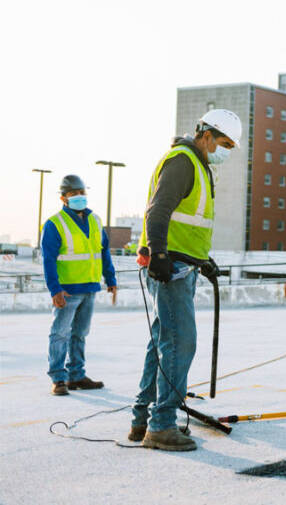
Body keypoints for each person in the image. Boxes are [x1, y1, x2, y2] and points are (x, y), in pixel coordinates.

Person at [130, 109, 240, 451]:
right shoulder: (183, 161)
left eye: (231, 146)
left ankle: (143, 420)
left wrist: (202, 261)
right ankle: (161, 425)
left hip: (182, 264)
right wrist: (159, 254)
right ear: (205, 135)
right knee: (180, 342)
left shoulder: (199, 165)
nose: (225, 151)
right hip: (171, 267)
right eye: (223, 143)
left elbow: (188, 223)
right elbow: (158, 210)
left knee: (164, 342)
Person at [41, 175, 117, 396]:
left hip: (90, 287)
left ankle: (76, 375)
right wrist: (54, 289)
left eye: (81, 193)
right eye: (73, 194)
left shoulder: (95, 220)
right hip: (67, 290)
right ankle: (58, 378)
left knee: (80, 333)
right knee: (60, 334)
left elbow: (103, 251)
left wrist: (110, 279)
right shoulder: (54, 223)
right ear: (64, 198)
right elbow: (48, 259)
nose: (79, 197)